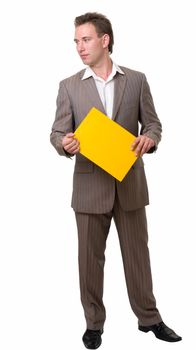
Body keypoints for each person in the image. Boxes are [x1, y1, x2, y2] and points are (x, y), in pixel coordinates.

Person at [50, 12, 182, 349]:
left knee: (139, 256)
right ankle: (94, 324)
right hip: (89, 186)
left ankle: (149, 319)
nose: (80, 47)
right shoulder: (69, 86)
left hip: (130, 185)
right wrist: (64, 144)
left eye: (86, 39)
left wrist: (150, 139)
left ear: (105, 39)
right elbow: (56, 132)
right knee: (89, 261)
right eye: (76, 41)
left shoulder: (136, 80)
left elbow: (153, 124)